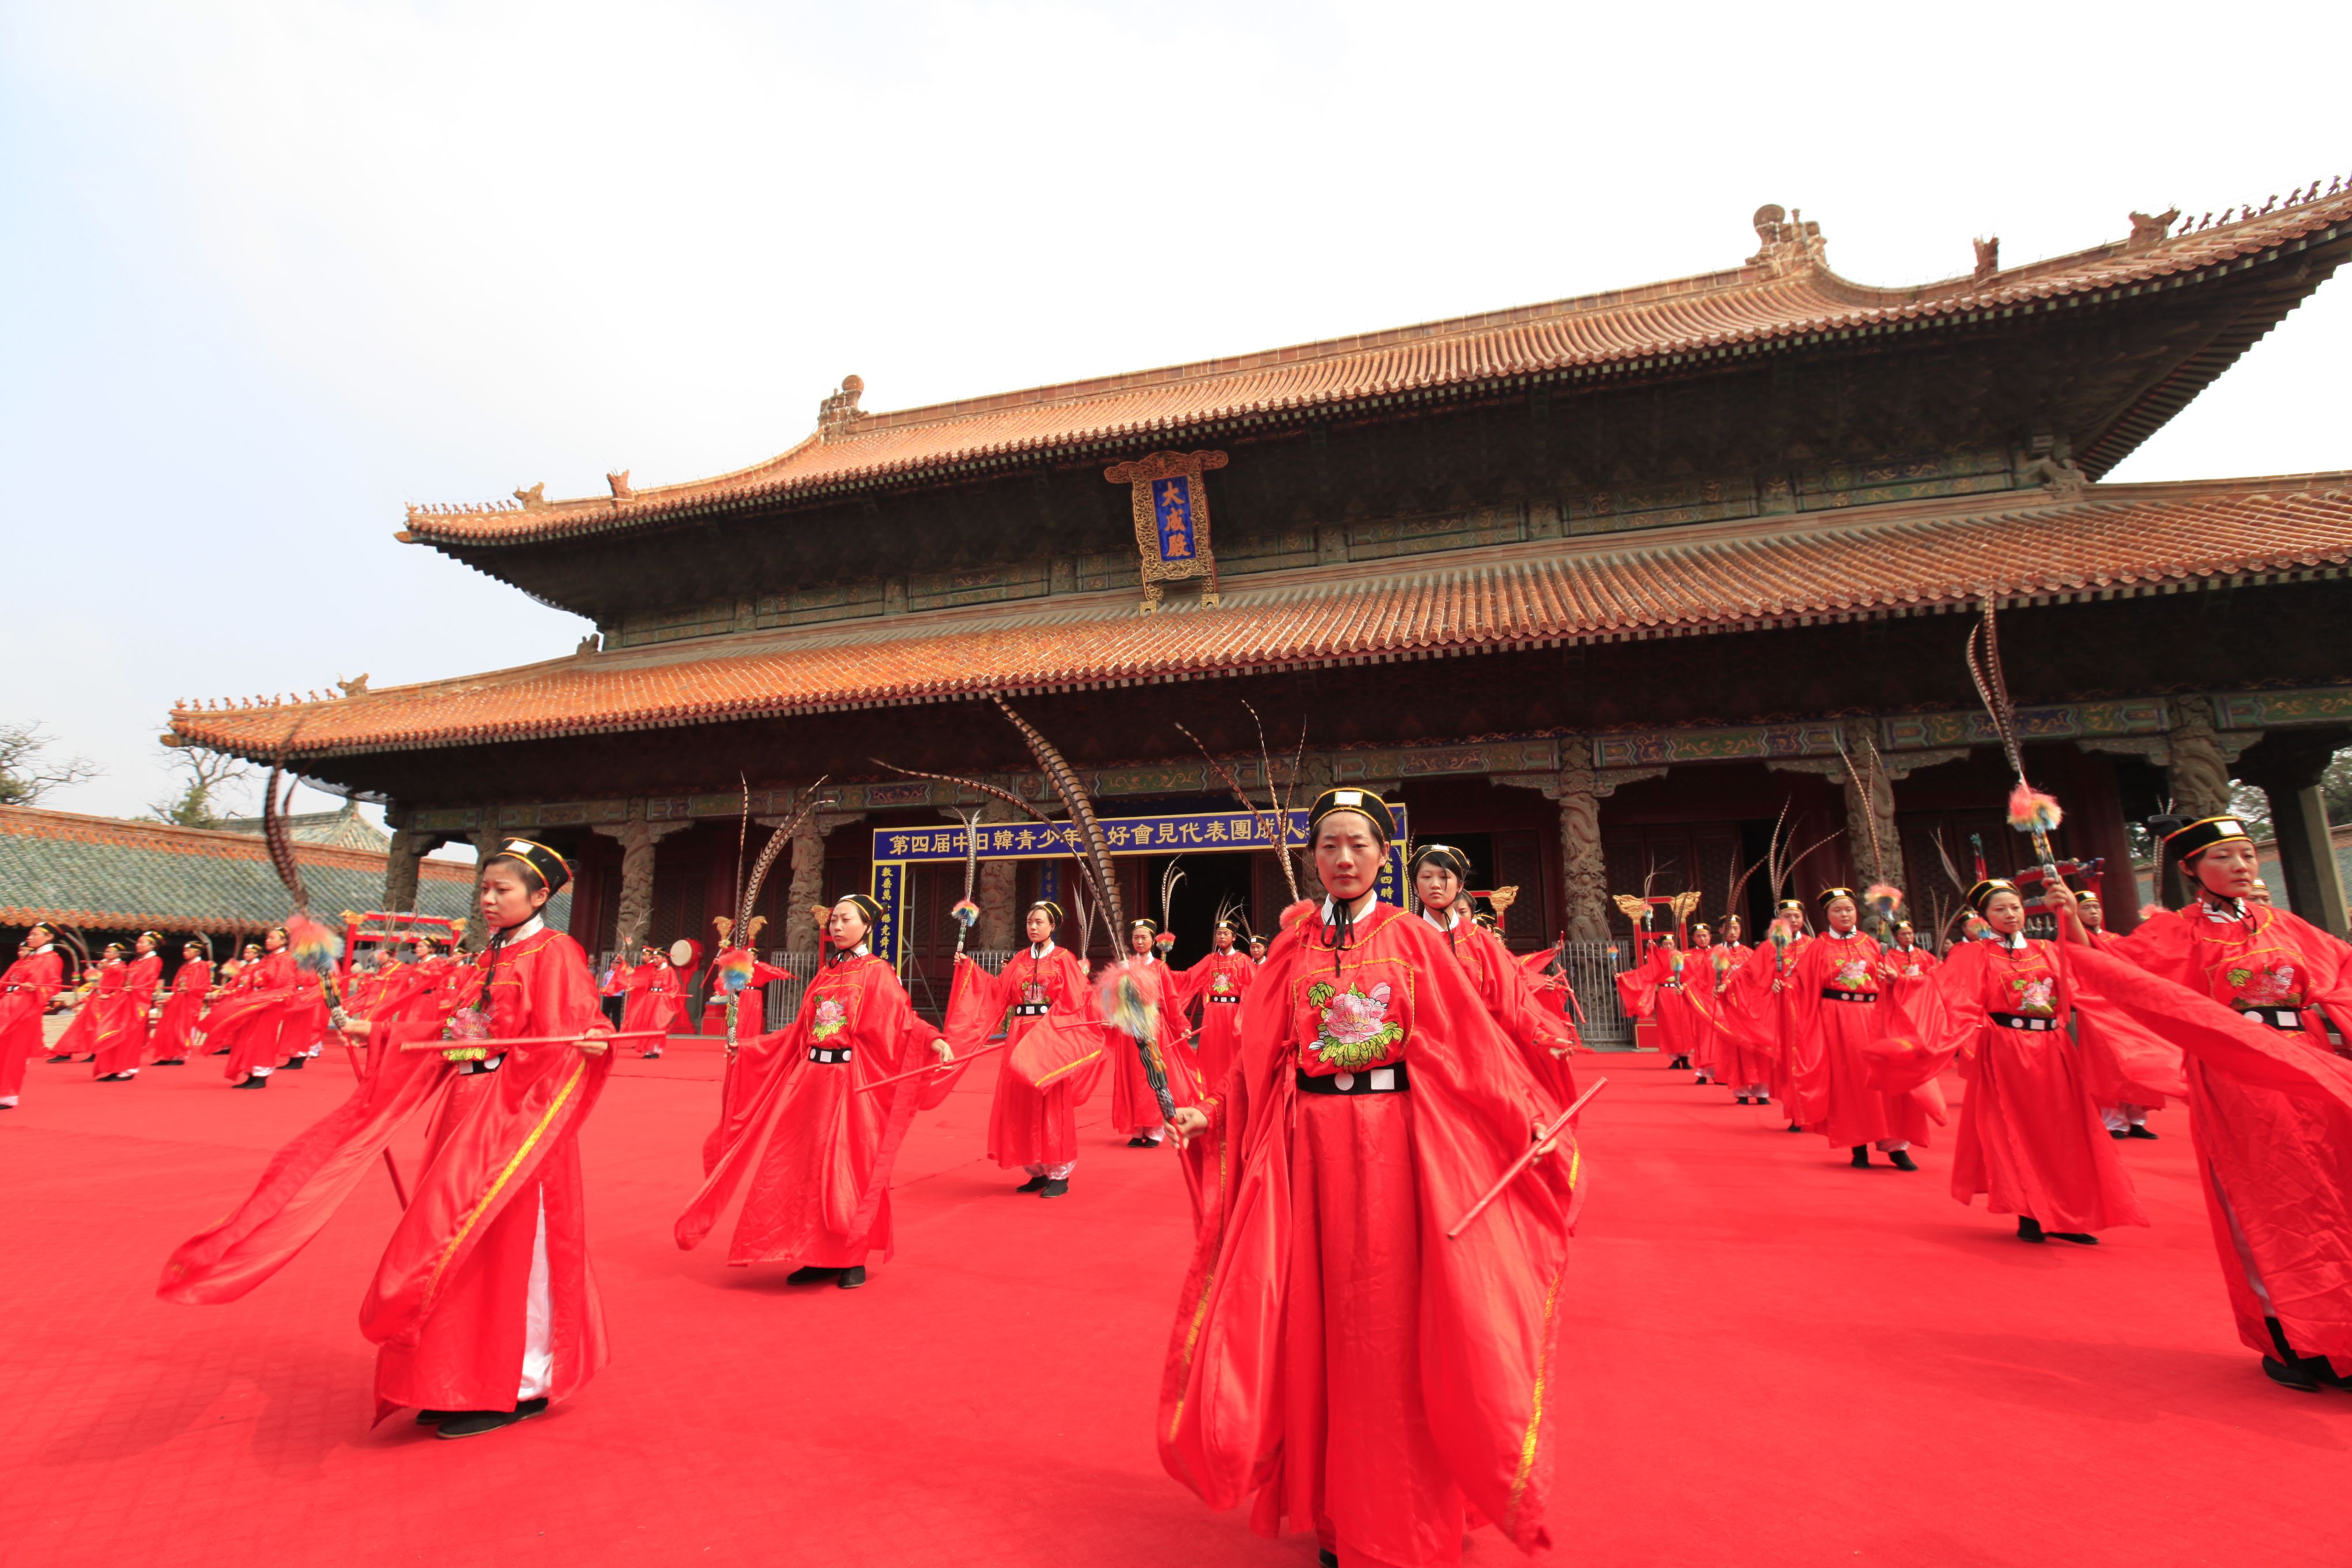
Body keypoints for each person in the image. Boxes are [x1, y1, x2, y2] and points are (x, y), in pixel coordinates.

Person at [1160, 789, 1578, 1568]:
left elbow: (1467, 1048)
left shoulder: (1414, 940)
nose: (1343, 859)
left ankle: (1403, 1515)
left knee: (1390, 1336)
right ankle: (1334, 1514)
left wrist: (1526, 1118)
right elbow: (1261, 1060)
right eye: (1329, 846)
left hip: (1396, 1157)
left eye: (1358, 845)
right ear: (1314, 858)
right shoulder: (1292, 949)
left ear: (1385, 857)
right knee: (1320, 1330)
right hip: (1310, 1159)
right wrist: (1211, 1116)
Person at [163, 838, 619, 1437]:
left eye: (500, 890)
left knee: (506, 1247)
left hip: (515, 1122)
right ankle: (457, 1375)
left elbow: (571, 1033)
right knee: (449, 1244)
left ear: (540, 895)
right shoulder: (487, 954)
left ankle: (522, 1382)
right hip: (463, 1111)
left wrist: (591, 1038)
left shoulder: (555, 953)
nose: (486, 899)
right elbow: (452, 1029)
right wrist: (374, 1028)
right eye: (482, 887)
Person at [2049, 815, 2352, 1391]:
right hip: (2239, 1072)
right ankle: (2286, 1335)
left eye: (2245, 854)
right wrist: (2072, 921)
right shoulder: (2177, 931)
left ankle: (2342, 1332)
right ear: (2190, 869)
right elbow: (2118, 972)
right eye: (2223, 857)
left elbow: (2342, 973)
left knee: (2334, 1196)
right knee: (2263, 1197)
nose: (2240, 865)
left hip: (2307, 1068)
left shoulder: (2288, 925)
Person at [678, 894, 955, 1288]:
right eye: (834, 921)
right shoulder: (825, 974)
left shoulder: (877, 973)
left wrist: (934, 1040)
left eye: (846, 920)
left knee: (845, 1170)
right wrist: (749, 1047)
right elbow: (799, 1033)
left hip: (850, 1086)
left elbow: (902, 1021)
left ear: (867, 925)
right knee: (802, 1169)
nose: (837, 927)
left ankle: (850, 1257)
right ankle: (812, 1252)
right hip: (812, 1085)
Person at [1876, 880, 2147, 1244]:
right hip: (2007, 1050)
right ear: (1985, 917)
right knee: (2018, 1130)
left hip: (2055, 1048)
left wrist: (2071, 917)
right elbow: (1940, 989)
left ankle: (2067, 1214)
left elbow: (2092, 968)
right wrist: (1902, 983)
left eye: (2016, 907)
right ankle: (2030, 1213)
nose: (2010, 914)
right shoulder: (1974, 955)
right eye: (2000, 909)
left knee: (2065, 1130)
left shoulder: (2048, 950)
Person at [1748, 887, 1927, 1168]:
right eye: (1837, 910)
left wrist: (1895, 978)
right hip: (1837, 1020)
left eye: (1849, 909)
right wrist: (1787, 986)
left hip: (1874, 1016)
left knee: (1884, 1077)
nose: (1844, 915)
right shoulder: (1819, 947)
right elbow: (1802, 981)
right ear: (1826, 916)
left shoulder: (1872, 943)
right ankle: (1858, 1145)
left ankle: (1895, 1145)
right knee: (1850, 1082)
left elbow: (1896, 978)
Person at [951, 900, 1107, 1198]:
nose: (1033, 927)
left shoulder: (1064, 959)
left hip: (1050, 1037)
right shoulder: (1020, 959)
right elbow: (998, 991)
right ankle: (1036, 1169)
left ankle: (1059, 1173)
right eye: (1029, 922)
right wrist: (969, 967)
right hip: (1019, 1035)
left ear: (1052, 926)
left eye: (1039, 922)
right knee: (1021, 1099)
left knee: (1052, 1101)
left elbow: (1079, 998)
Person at [1411, 843, 1581, 1101]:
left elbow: (1513, 998)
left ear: (1460, 886)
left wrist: (1542, 1033)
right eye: (1426, 877)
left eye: (1445, 877)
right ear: (1415, 885)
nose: (1436, 884)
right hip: (1421, 1055)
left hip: (1480, 1050)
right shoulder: (1403, 936)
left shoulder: (1481, 941)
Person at [1106, 918, 1194, 1148]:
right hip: (1129, 1028)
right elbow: (1113, 997)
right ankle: (1137, 1129)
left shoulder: (1160, 968)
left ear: (1153, 940)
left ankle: (1155, 1130)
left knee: (1152, 1075)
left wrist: (1182, 1024)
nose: (1140, 941)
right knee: (1132, 1077)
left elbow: (1172, 1000)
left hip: (1154, 1026)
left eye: (1144, 937)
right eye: (1136, 937)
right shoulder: (1125, 966)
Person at [1175, 914, 1256, 1092]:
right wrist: (1162, 972)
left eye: (1226, 934)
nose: (1221, 937)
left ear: (1234, 938)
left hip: (1235, 1012)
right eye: (1219, 934)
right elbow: (1188, 978)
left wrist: (1243, 1018)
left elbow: (1253, 990)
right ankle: (1211, 1090)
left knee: (1233, 1053)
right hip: (1213, 1014)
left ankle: (1235, 1090)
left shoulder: (1244, 961)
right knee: (1212, 1053)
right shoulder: (1210, 960)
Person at [211, 927, 300, 1088]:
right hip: (256, 1000)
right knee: (248, 1037)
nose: (268, 940)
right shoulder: (266, 959)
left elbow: (285, 983)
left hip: (269, 1004)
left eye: (272, 938)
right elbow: (251, 982)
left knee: (262, 1039)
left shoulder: (285, 959)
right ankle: (251, 1074)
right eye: (267, 938)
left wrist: (269, 996)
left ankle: (261, 1075)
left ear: (284, 941)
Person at [0, 924, 68, 1108]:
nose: (30, 938)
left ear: (48, 937)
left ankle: (8, 1095)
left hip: (26, 1011)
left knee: (15, 1053)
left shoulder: (53, 959)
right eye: (30, 934)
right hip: (9, 1005)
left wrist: (37, 989)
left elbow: (53, 986)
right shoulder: (29, 958)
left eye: (35, 934)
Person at [93, 932, 165, 1080]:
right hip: (124, 1000)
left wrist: (135, 989)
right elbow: (125, 980)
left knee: (130, 1037)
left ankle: (128, 1070)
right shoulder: (135, 962)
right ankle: (114, 1068)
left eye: (142, 942)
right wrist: (115, 993)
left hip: (137, 1002)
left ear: (153, 945)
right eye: (138, 943)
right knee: (117, 1033)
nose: (138, 945)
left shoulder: (154, 961)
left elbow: (149, 981)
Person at [51, 944, 123, 1064]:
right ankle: (64, 1051)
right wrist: (84, 999)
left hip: (107, 1003)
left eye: (109, 952)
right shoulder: (105, 967)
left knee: (97, 1029)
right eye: (105, 951)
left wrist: (110, 995)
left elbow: (120, 988)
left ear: (119, 954)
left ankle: (96, 1053)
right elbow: (97, 987)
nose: (106, 954)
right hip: (95, 1001)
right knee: (78, 1027)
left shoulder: (121, 968)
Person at [147, 940, 212, 1065]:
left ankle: (180, 1056)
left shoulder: (201, 965)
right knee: (169, 1029)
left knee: (183, 1029)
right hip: (177, 1002)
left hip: (190, 1003)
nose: (185, 953)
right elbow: (177, 987)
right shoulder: (184, 967)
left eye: (188, 951)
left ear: (197, 952)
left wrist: (191, 990)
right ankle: (167, 1055)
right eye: (184, 951)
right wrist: (167, 1000)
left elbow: (205, 985)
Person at [620, 943, 682, 1059]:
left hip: (661, 1000)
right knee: (646, 1024)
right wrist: (634, 986)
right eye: (653, 958)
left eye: (657, 958)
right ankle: (647, 1050)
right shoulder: (653, 971)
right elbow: (646, 985)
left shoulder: (669, 971)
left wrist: (673, 994)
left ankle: (656, 1050)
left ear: (664, 958)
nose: (655, 960)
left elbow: (675, 986)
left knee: (657, 1025)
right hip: (650, 1000)